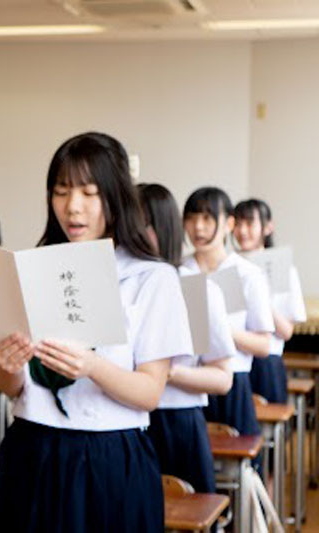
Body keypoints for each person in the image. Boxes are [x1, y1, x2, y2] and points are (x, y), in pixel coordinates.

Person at [0, 132, 191, 532]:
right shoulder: (34, 269)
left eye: (88, 193)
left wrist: (92, 366)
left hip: (108, 457)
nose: (72, 206)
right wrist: (9, 364)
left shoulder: (151, 278)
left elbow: (150, 392)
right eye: (61, 192)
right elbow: (14, 389)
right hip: (31, 448)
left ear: (116, 197)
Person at [138, 183, 233, 493]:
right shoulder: (115, 286)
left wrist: (168, 373)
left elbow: (222, 379)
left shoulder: (195, 289)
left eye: (142, 225)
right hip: (120, 424)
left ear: (164, 228)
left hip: (176, 422)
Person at [181, 187, 274, 436]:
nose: (198, 227)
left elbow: (264, 345)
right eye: (191, 218)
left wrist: (220, 331)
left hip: (233, 384)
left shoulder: (247, 274)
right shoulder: (178, 271)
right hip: (186, 383)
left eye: (207, 218)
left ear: (228, 224)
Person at [233, 198, 306, 403]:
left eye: (249, 223)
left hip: (266, 362)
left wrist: (258, 298)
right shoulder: (228, 265)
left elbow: (286, 331)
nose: (242, 230)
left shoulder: (284, 269)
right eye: (238, 223)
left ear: (267, 227)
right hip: (234, 360)